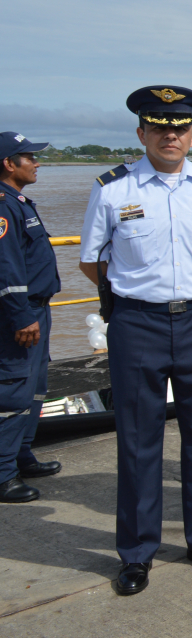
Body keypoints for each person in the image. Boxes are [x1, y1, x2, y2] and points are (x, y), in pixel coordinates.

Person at [78, 85, 192, 596]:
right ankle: (135, 554)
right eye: (159, 128)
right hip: (136, 325)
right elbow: (92, 262)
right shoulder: (112, 188)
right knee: (137, 441)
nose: (169, 137)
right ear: (141, 133)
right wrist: (142, 294)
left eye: (179, 129)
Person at [0, 131, 61, 504]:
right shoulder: (3, 206)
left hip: (39, 310)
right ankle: (3, 475)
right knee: (13, 392)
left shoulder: (18, 201)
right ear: (9, 163)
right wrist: (22, 316)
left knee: (35, 388)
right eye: (29, 157)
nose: (37, 163)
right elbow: (6, 269)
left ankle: (22, 455)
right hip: (20, 317)